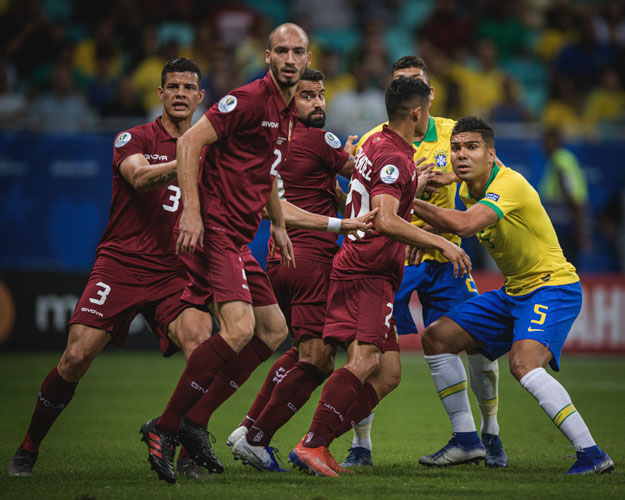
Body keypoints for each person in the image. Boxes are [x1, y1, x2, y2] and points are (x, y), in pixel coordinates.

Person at [8, 58, 216, 478]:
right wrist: (188, 159)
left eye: (187, 87)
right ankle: (28, 449)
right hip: (120, 265)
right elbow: (138, 179)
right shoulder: (132, 137)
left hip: (176, 270)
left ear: (200, 97)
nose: (179, 93)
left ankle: (188, 451)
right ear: (159, 94)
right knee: (76, 356)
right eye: (171, 86)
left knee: (203, 348)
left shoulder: (212, 148)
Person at [138, 23, 310, 484]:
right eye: (281, 51)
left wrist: (276, 221)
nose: (289, 59)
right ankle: (167, 425)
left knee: (274, 329)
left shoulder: (289, 109)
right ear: (268, 56)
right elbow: (189, 141)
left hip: (238, 236)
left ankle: (194, 420)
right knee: (239, 329)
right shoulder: (250, 99)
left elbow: (267, 172)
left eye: (298, 51)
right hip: (213, 228)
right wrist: (191, 214)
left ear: (307, 59)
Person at [289, 77, 472, 477]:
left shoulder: (375, 143)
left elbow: (384, 198)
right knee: (365, 359)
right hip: (369, 269)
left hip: (365, 266)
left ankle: (316, 444)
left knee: (388, 373)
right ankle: (313, 444)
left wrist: (411, 188)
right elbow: (386, 220)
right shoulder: (396, 157)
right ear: (417, 112)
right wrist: (441, 243)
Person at [412, 116, 614, 475]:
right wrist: (426, 234)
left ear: (491, 155)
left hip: (553, 287)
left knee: (523, 364)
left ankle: (592, 453)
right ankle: (468, 439)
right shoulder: (466, 190)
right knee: (437, 336)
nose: (461, 154)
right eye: (455, 147)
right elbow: (457, 216)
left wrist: (403, 200)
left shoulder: (511, 183)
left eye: (471, 147)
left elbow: (464, 224)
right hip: (513, 292)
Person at [342, 56, 507, 469]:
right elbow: (358, 200)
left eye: (414, 83)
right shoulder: (372, 141)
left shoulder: (456, 134)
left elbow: (498, 172)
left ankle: (488, 431)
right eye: (400, 84)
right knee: (371, 353)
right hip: (392, 261)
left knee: (478, 349)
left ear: (428, 95)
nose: (408, 90)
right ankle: (361, 444)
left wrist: (456, 174)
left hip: (446, 259)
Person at [221, 67, 355, 470]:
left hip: (278, 259)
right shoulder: (319, 139)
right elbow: (368, 179)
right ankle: (258, 439)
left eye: (321, 94)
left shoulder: (269, 141)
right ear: (289, 100)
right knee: (318, 361)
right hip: (313, 260)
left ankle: (246, 428)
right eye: (307, 96)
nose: (318, 103)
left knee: (299, 350)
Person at [538, 127, 590, 268]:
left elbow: (573, 196)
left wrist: (580, 230)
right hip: (562, 227)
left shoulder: (561, 162)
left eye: (545, 142)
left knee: (564, 269)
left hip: (565, 229)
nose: (543, 146)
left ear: (555, 141)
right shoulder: (559, 160)